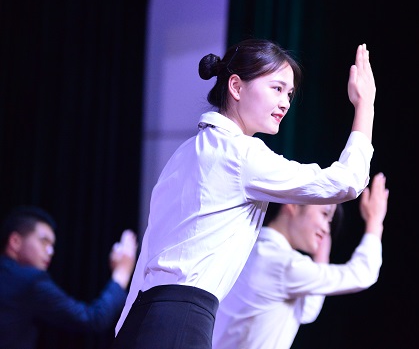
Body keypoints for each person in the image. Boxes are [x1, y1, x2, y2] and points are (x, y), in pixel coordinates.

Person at [112, 38, 376, 349]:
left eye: (289, 94)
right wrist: (365, 105)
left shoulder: (183, 153)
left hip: (141, 319)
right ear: (236, 87)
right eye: (276, 88)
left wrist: (123, 331)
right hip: (182, 321)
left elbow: (148, 254)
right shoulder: (242, 154)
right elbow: (346, 182)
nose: (285, 103)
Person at [211, 171, 388, 349]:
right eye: (324, 214)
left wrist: (321, 254)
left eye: (330, 221)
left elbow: (306, 310)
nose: (327, 229)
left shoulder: (253, 250)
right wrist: (374, 221)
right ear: (293, 204)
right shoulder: (283, 265)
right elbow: (362, 274)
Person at [0, 206, 137, 349]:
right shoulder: (30, 280)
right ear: (15, 241)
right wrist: (122, 272)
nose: (50, 251)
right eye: (44, 241)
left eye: (52, 245)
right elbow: (93, 319)